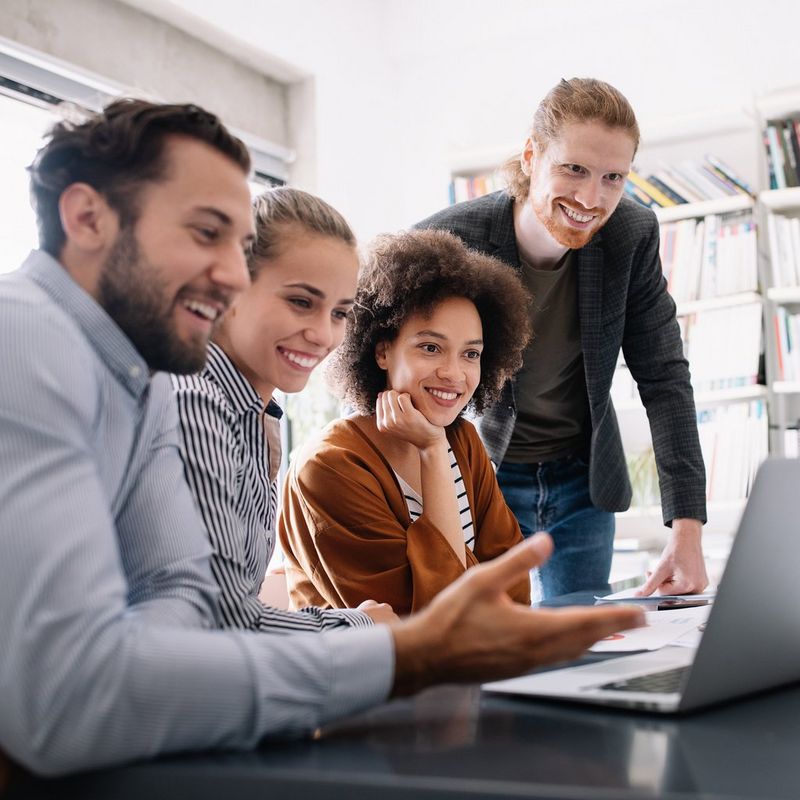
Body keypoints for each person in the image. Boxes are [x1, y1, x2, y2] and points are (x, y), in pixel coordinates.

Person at [0, 97, 643, 777]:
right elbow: (71, 701)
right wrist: (392, 652)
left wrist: (373, 639)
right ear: (86, 217)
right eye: (205, 233)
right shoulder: (29, 342)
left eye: (237, 246)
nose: (228, 274)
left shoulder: (147, 380)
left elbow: (194, 610)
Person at [415, 77, 709, 600]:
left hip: (582, 482)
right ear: (531, 156)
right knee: (487, 643)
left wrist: (687, 530)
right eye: (574, 169)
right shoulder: (449, 241)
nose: (591, 199)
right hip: (482, 473)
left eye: (613, 177)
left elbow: (665, 378)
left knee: (581, 648)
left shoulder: (631, 235)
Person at [171, 187, 396, 632]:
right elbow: (219, 621)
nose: (322, 335)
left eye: (339, 313)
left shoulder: (252, 412)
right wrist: (360, 627)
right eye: (301, 302)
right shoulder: (195, 404)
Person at [279, 229, 532, 614]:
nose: (453, 373)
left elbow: (513, 586)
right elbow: (423, 623)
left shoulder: (462, 440)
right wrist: (432, 451)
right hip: (370, 673)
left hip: (476, 666)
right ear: (382, 351)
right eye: (431, 348)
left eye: (471, 354)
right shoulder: (329, 468)